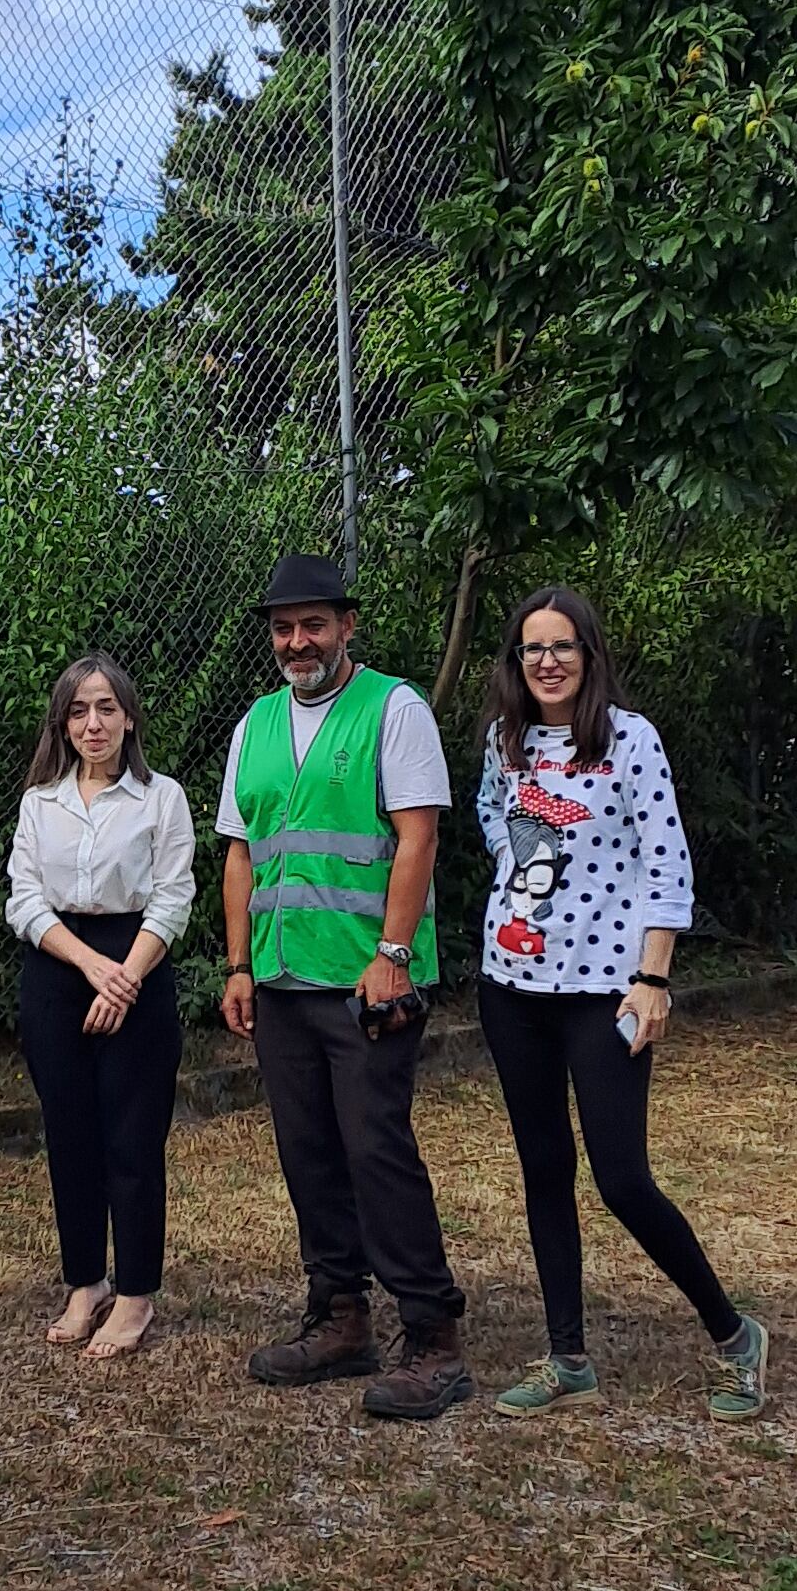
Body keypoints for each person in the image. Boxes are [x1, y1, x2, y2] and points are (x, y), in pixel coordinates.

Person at [470, 585, 769, 1422]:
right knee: (543, 1170)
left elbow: (670, 864)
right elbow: (496, 815)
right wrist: (519, 862)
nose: (547, 662)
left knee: (622, 1179)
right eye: (532, 649)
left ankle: (734, 1335)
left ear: (590, 657)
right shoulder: (508, 742)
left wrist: (654, 978)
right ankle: (567, 1356)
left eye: (562, 647)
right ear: (516, 662)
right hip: (512, 985)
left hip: (606, 991)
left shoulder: (630, 742)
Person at [219, 552, 470, 1421]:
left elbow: (417, 838)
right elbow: (242, 852)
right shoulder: (253, 724)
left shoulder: (393, 709)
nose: (298, 641)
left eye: (314, 625)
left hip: (368, 981)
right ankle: (340, 1316)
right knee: (309, 1152)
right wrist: (240, 964)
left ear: (346, 627)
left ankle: (432, 1333)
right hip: (283, 977)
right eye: (285, 628)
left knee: (376, 1151)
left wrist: (392, 954)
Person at [5, 653, 197, 1355]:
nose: (94, 723)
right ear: (63, 722)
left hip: (137, 961)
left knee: (133, 1139)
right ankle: (85, 1282)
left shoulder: (161, 798)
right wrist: (90, 966)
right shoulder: (40, 802)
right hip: (59, 966)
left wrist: (127, 977)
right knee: (71, 1134)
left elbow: (174, 896)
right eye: (80, 710)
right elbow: (23, 898)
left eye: (107, 707)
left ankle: (137, 1292)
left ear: (129, 717)